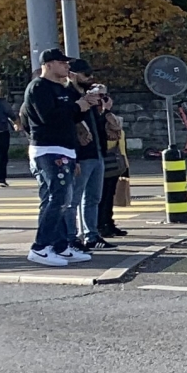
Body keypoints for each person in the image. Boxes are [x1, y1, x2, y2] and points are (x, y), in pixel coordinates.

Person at [20, 48, 97, 266]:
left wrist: (85, 103)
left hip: (64, 148)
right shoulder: (38, 88)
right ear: (49, 65)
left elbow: (73, 116)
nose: (67, 66)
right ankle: (41, 246)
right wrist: (76, 106)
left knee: (62, 198)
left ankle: (61, 245)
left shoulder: (62, 88)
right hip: (48, 149)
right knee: (57, 198)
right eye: (62, 63)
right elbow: (49, 117)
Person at [66, 60, 108, 251]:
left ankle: (92, 235)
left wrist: (103, 105)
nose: (90, 78)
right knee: (73, 199)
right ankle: (71, 237)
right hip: (80, 154)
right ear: (73, 75)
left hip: (96, 151)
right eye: (86, 75)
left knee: (93, 198)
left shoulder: (87, 95)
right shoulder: (69, 95)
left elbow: (96, 123)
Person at [96, 92, 130, 239]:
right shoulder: (98, 117)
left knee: (110, 195)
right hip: (104, 158)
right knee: (102, 196)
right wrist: (106, 111)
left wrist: (125, 165)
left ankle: (109, 223)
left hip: (116, 159)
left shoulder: (109, 116)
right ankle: (101, 225)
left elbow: (119, 137)